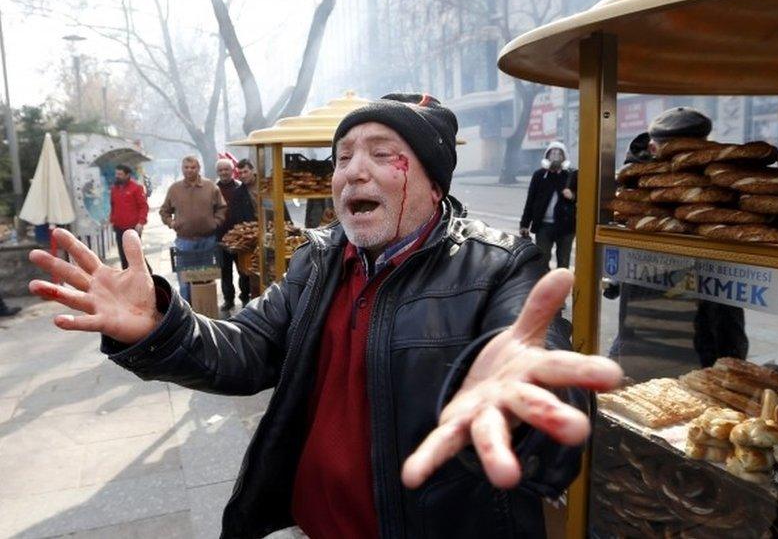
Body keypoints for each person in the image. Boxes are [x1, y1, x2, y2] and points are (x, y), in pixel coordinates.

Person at [26, 93, 623, 539]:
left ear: (434, 184)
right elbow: (245, 347)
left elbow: (542, 381)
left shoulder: (498, 266)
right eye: (342, 158)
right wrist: (162, 323)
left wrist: (520, 400)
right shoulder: (319, 260)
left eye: (383, 155)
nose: (351, 171)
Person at [607, 107, 748, 370]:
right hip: (653, 335)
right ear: (653, 149)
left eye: (695, 151)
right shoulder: (634, 189)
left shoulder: (719, 187)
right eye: (678, 151)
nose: (688, 160)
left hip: (701, 338)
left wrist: (732, 352)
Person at [159, 155, 227, 302]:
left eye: (193, 167)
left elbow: (222, 207)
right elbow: (164, 211)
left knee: (206, 279)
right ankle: (187, 311)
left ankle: (205, 309)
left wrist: (215, 222)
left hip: (208, 241)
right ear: (182, 169)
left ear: (198, 168)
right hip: (185, 242)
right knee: (185, 281)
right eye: (186, 167)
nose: (189, 170)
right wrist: (171, 223)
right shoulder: (174, 189)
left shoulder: (210, 187)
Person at [519, 141, 578, 269]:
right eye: (552, 153)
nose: (555, 156)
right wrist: (524, 224)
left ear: (564, 157)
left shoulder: (571, 175)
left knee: (563, 262)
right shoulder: (539, 175)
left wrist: (573, 196)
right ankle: (546, 287)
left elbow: (584, 198)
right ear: (547, 156)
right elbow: (531, 200)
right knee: (542, 260)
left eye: (559, 153)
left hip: (566, 227)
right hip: (543, 227)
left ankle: (561, 288)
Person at [215, 158, 252, 310]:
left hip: (241, 237)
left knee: (244, 270)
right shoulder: (213, 189)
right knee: (225, 272)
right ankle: (228, 300)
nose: (224, 172)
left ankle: (245, 297)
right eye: (221, 170)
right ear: (218, 172)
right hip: (221, 237)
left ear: (232, 171)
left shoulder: (240, 188)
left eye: (227, 169)